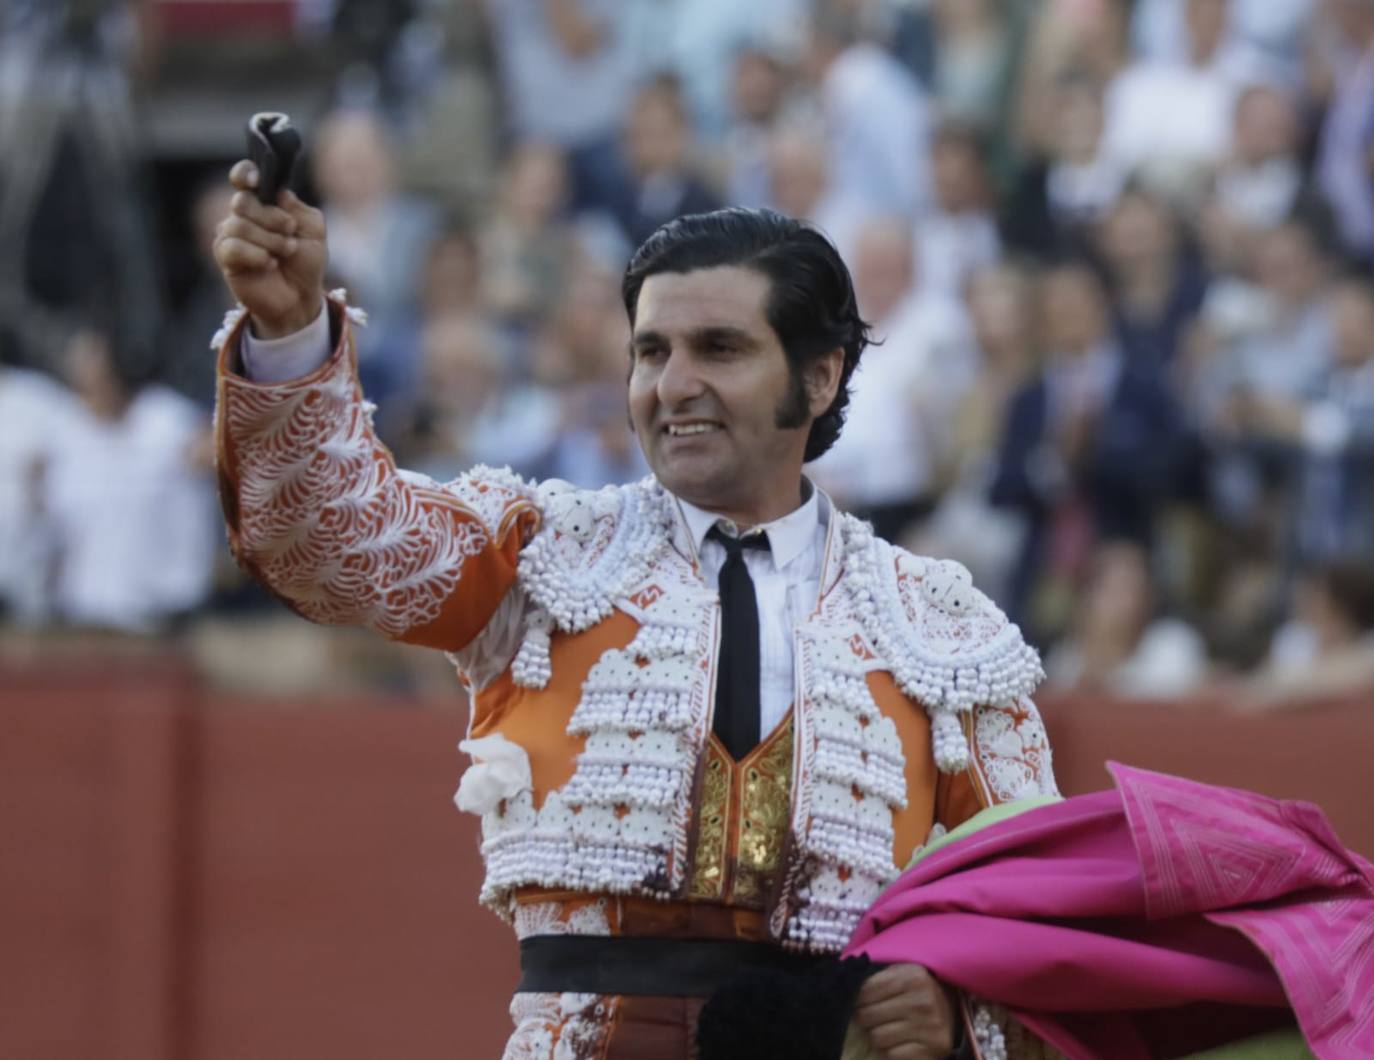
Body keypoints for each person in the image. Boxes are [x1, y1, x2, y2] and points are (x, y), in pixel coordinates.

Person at [210, 163, 1055, 1058]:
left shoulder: (939, 627)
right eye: (651, 352)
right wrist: (290, 333)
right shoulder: (542, 554)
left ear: (817, 378)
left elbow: (1035, 925)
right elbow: (331, 543)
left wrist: (954, 1016)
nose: (672, 384)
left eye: (719, 349)